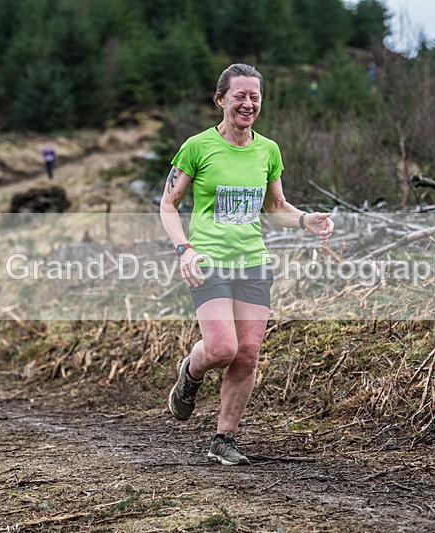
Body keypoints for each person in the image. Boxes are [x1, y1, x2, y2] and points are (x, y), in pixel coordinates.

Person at [160, 64, 334, 465]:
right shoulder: (197, 147)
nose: (248, 103)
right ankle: (191, 371)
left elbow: (275, 207)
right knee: (222, 348)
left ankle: (224, 438)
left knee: (247, 355)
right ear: (221, 99)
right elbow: (169, 203)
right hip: (208, 260)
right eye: (239, 95)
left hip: (253, 263)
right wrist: (184, 248)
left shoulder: (267, 150)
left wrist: (306, 220)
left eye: (254, 96)